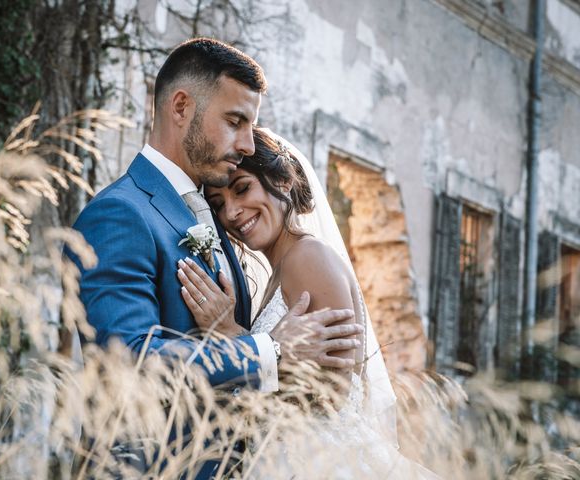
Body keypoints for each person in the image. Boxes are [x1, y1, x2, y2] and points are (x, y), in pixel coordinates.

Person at [66, 38, 363, 478]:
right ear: (181, 107)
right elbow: (126, 362)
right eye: (235, 121)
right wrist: (272, 349)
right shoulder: (120, 213)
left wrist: (235, 335)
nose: (247, 143)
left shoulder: (207, 214)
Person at [178, 127, 441, 478]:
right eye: (219, 204)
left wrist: (230, 336)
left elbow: (328, 395)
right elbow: (296, 363)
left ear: (283, 180)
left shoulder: (307, 259)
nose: (233, 212)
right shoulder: (284, 267)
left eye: (242, 189)